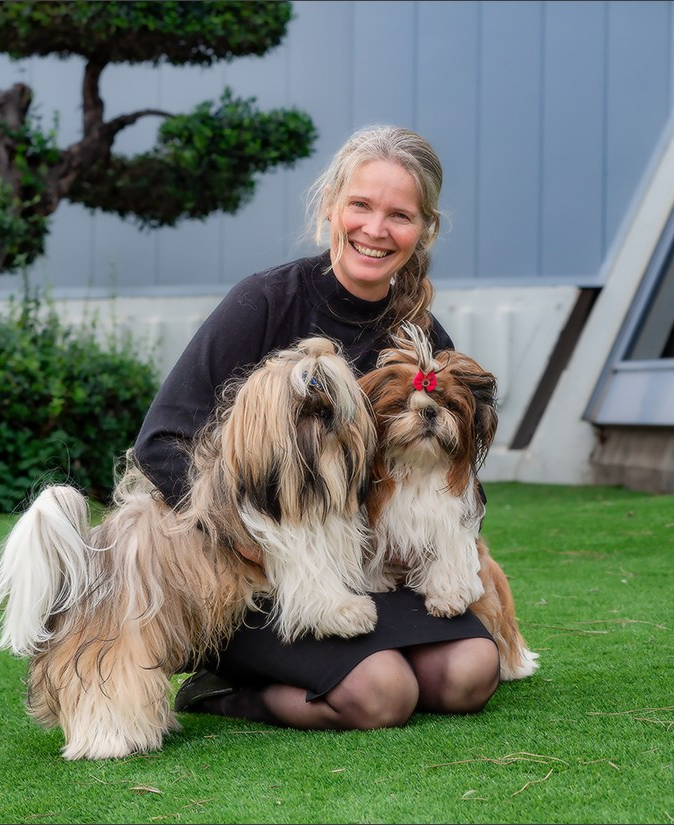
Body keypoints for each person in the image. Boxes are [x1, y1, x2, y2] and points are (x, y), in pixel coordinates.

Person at [132, 125, 500, 731]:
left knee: (469, 673)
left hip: (374, 574)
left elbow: (457, 472)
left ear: (425, 230)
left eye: (400, 215)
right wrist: (246, 537)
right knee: (382, 694)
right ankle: (223, 692)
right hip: (263, 581)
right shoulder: (264, 302)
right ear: (330, 205)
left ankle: (355, 657)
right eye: (361, 205)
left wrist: (429, 542)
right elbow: (160, 443)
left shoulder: (421, 334)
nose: (375, 229)